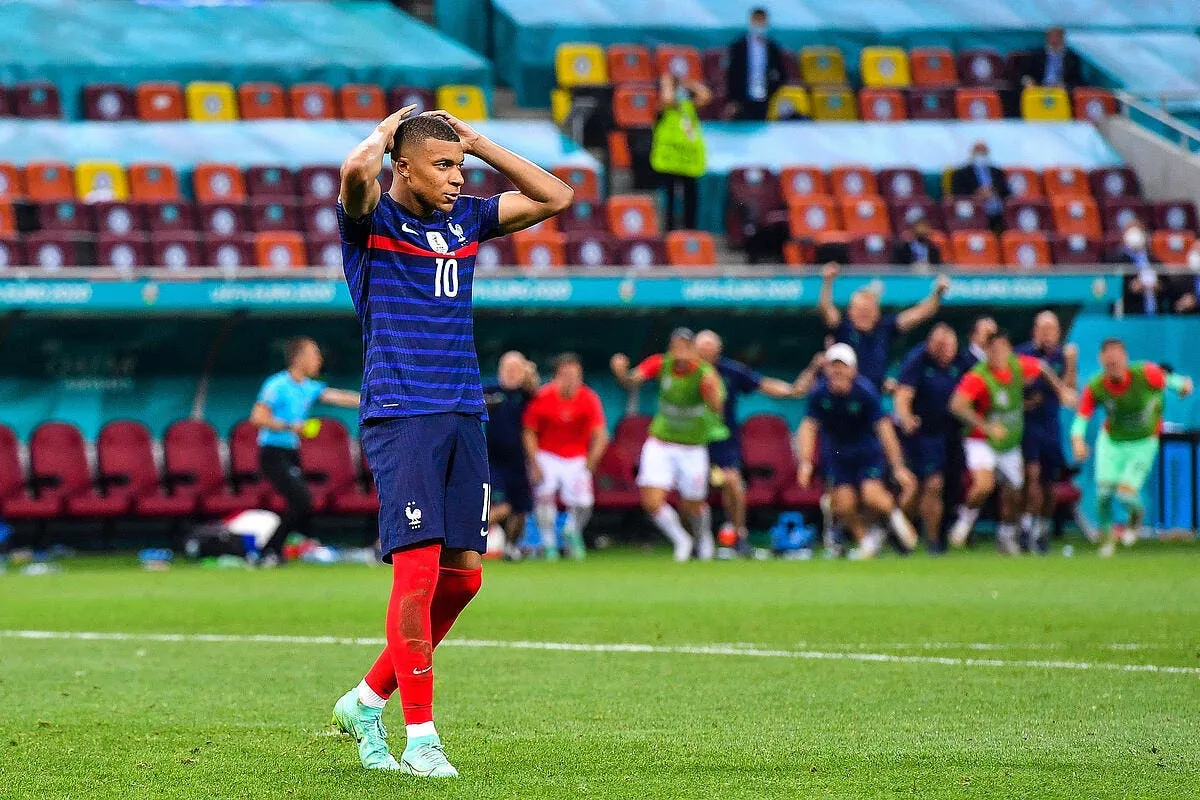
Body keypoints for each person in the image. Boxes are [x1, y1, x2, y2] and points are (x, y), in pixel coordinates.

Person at [331, 106, 572, 777]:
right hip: (403, 411)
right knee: (417, 568)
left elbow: (559, 197)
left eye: (459, 167)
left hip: (464, 410)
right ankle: (422, 737)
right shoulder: (370, 221)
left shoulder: (466, 218)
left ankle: (367, 697)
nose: (456, 178)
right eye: (442, 165)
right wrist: (387, 131)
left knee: (464, 577)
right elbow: (355, 170)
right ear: (401, 167)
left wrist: (478, 143)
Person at [947, 329, 1076, 554]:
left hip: (1009, 442)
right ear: (987, 351)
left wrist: (1061, 390)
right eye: (994, 350)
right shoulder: (978, 376)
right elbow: (957, 405)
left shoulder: (1017, 366)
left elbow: (1043, 368)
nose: (999, 354)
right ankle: (965, 520)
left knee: (1016, 491)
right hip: (981, 440)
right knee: (984, 485)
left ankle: (1006, 535)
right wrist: (986, 426)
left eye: (1003, 349)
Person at [695, 329, 820, 552]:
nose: (706, 352)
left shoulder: (730, 371)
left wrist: (791, 390)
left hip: (723, 441)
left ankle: (738, 535)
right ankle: (695, 539)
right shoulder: (682, 371)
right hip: (690, 439)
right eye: (701, 348)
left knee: (732, 482)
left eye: (710, 348)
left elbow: (762, 384)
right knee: (690, 489)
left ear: (718, 351)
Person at [611, 328, 727, 561]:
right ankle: (681, 540)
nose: (681, 352)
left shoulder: (705, 372)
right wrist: (621, 372)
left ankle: (703, 536)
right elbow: (632, 380)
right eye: (677, 347)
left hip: (692, 446)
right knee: (651, 501)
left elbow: (717, 408)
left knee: (692, 505)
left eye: (686, 347)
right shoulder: (660, 364)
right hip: (662, 443)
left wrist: (709, 388)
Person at [1071, 339, 1193, 557]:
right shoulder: (1096, 386)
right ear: (1102, 360)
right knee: (1104, 494)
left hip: (1143, 441)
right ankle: (1107, 540)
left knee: (1126, 495)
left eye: (1117, 358)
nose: (1113, 363)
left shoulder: (1145, 374)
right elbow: (1082, 417)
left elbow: (1172, 381)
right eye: (1109, 359)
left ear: (1125, 358)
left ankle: (1136, 518)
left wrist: (1183, 385)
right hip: (1112, 441)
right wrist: (1078, 440)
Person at [796, 344, 918, 559]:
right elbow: (808, 427)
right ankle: (866, 542)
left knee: (873, 496)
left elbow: (884, 429)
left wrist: (898, 466)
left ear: (852, 370)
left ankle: (896, 520)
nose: (837, 372)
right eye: (833, 367)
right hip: (836, 455)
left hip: (866, 452)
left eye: (842, 367)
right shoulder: (818, 394)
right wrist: (805, 462)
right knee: (843, 505)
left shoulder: (865, 393)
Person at [250, 336, 360, 565]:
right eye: (315, 354)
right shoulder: (276, 385)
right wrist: (290, 426)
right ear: (299, 358)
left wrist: (372, 399)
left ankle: (294, 547)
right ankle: (269, 550)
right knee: (301, 499)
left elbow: (338, 396)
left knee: (301, 501)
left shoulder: (309, 387)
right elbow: (257, 418)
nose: (319, 360)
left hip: (291, 452)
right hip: (272, 452)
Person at [522, 352, 609, 560]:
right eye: (565, 374)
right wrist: (534, 462)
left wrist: (591, 461)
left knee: (584, 503)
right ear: (556, 376)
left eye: (575, 374)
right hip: (547, 455)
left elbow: (600, 434)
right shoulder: (543, 397)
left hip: (577, 456)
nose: (570, 379)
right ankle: (549, 543)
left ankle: (571, 530)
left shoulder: (589, 398)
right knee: (544, 497)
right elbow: (529, 431)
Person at [818, 262, 951, 391]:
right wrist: (827, 283)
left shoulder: (885, 328)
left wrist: (937, 293)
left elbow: (919, 313)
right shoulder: (842, 328)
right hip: (838, 395)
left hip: (871, 400)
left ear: (877, 312)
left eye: (868, 310)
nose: (863, 314)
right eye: (859, 310)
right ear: (850, 311)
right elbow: (826, 311)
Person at [893, 323, 965, 551]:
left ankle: (927, 535)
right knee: (930, 484)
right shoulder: (918, 360)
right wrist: (905, 417)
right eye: (939, 346)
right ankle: (929, 541)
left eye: (948, 346)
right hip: (923, 434)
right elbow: (903, 394)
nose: (944, 350)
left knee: (946, 487)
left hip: (953, 435)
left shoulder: (961, 363)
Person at [1015, 312, 1078, 552]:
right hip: (1027, 427)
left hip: (1051, 427)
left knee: (1050, 483)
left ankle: (1042, 529)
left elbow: (1069, 394)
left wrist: (1071, 364)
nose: (1047, 334)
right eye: (1042, 329)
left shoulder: (1063, 357)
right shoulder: (1022, 354)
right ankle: (1026, 529)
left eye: (1051, 329)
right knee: (1031, 476)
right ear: (1034, 330)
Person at [483, 351, 539, 560]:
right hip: (493, 459)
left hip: (519, 460)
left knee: (521, 508)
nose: (512, 374)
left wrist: (529, 373)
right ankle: (461, 535)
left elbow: (535, 387)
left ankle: (511, 547)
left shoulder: (527, 395)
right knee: (502, 505)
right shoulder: (489, 391)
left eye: (517, 369)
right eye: (508, 369)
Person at [650, 65, 711, 231]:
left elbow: (705, 96)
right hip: (670, 160)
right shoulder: (662, 106)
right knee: (670, 198)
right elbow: (667, 99)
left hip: (688, 160)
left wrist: (688, 83)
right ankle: (670, 233)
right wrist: (667, 81)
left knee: (690, 198)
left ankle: (690, 230)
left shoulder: (688, 104)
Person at [724, 7, 788, 121]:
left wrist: (771, 90)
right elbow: (731, 74)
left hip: (764, 99)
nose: (759, 23)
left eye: (762, 20)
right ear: (751, 21)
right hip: (742, 100)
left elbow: (782, 73)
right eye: (757, 20)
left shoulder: (772, 47)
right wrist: (732, 100)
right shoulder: (738, 46)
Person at [949, 142, 1010, 233]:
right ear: (972, 153)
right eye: (978, 152)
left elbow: (1007, 192)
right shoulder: (960, 173)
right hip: (973, 208)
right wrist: (977, 195)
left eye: (983, 152)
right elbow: (957, 193)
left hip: (997, 211)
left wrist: (993, 192)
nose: (980, 155)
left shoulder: (997, 172)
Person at [1117, 222, 1172, 316]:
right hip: (1131, 315)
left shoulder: (1154, 260)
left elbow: (1167, 285)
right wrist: (1131, 288)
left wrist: (1158, 286)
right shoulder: (1118, 260)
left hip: (1156, 314)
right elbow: (1113, 286)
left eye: (1138, 232)